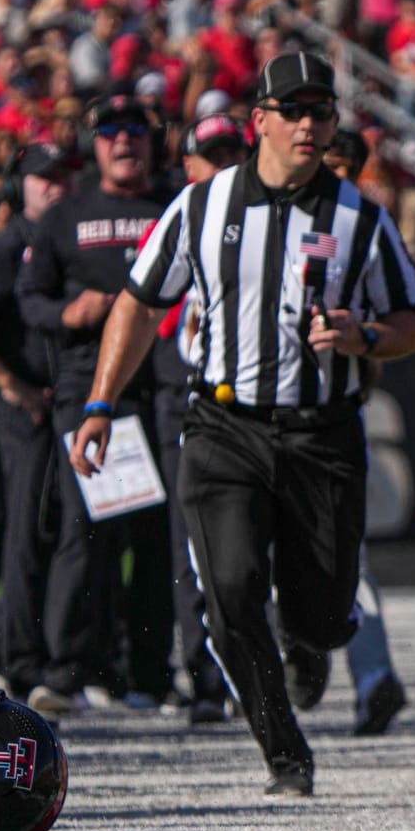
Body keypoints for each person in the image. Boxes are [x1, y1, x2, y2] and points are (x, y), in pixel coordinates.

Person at [69, 51, 415, 796]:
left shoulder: (360, 214)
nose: (307, 124)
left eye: (320, 112)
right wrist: (101, 402)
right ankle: (282, 750)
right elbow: (139, 302)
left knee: (327, 614)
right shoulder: (202, 204)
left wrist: (365, 337)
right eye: (292, 110)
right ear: (258, 120)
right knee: (230, 588)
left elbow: (414, 320)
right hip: (224, 424)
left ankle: (310, 644)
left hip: (323, 432)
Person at [17, 95, 175, 716]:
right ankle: (69, 670)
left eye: (136, 131)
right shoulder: (67, 214)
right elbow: (30, 297)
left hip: (159, 392)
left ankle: (149, 673)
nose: (124, 142)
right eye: (111, 132)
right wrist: (65, 314)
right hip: (88, 397)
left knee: (156, 537)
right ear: (95, 143)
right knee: (87, 535)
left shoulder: (171, 207)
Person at [148, 114, 252, 724]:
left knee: (251, 549)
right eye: (209, 158)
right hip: (189, 401)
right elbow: (146, 309)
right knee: (193, 549)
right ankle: (208, 679)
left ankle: (253, 672)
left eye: (229, 156)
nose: (220, 169)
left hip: (257, 405)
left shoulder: (275, 219)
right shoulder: (184, 217)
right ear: (189, 165)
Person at [322, 123, 410, 738]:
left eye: (344, 166)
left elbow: (398, 326)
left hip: (333, 410)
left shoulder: (364, 231)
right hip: (248, 415)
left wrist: (363, 348)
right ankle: (273, 672)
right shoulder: (253, 214)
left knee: (346, 553)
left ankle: (374, 679)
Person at [0, 143, 76, 701]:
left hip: (66, 404)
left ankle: (68, 658)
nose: (54, 186)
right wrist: (10, 385)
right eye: (41, 178)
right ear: (15, 187)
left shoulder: (63, 240)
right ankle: (20, 661)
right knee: (23, 532)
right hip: (22, 410)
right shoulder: (7, 246)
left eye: (61, 176)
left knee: (70, 532)